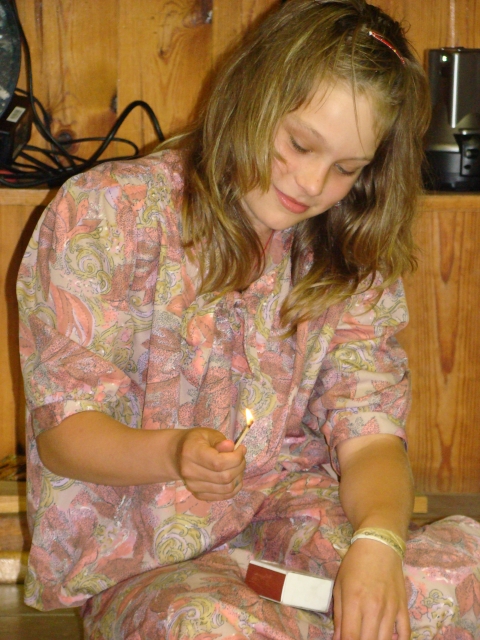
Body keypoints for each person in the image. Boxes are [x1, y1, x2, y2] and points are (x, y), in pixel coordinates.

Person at [17, 1, 480, 639]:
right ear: (252, 97)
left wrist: (379, 544)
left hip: (293, 517)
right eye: (299, 144)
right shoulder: (107, 212)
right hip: (146, 558)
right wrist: (174, 452)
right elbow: (64, 436)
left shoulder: (349, 247)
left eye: (346, 169)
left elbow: (371, 437)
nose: (312, 183)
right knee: (208, 626)